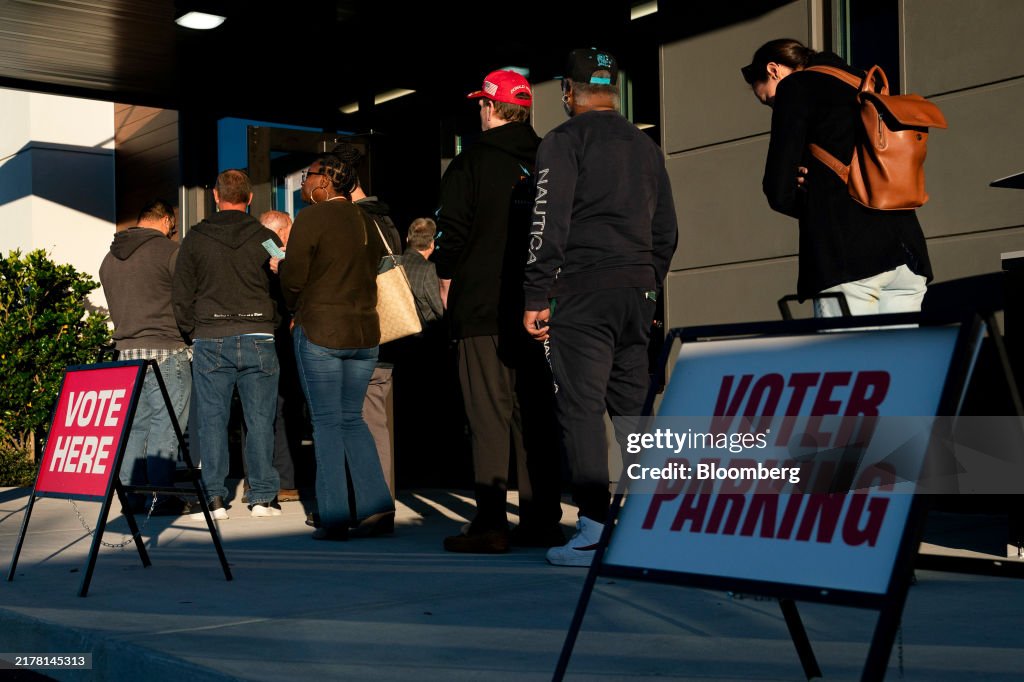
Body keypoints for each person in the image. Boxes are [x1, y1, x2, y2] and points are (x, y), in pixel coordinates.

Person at [523, 48, 678, 567]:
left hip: (583, 291)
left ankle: (592, 528)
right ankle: (651, 524)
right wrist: (650, 286)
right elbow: (666, 231)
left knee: (581, 408)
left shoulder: (563, 141)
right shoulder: (645, 144)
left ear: (568, 90)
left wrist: (535, 294)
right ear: (612, 90)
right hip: (637, 293)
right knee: (635, 409)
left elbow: (548, 223)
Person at [434, 69, 564, 554]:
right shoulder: (552, 156)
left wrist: (446, 273)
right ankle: (541, 520)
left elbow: (452, 230)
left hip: (483, 306)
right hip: (541, 307)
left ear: (488, 107)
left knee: (488, 416)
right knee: (535, 415)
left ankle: (490, 523)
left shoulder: (473, 162)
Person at [741, 38, 933, 317]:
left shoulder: (796, 87)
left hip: (849, 256)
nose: (774, 104)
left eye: (769, 99)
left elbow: (777, 188)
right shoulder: (863, 82)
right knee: (898, 358)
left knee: (848, 357)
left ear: (774, 70)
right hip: (908, 254)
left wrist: (813, 198)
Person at [276, 154, 394, 541]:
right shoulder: (368, 220)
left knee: (326, 423)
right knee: (351, 420)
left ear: (326, 182)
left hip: (322, 331)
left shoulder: (313, 218)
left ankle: (334, 515)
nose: (304, 183)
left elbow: (293, 278)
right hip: (364, 334)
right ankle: (376, 506)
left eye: (308, 176)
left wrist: (293, 299)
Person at [172, 169, 283, 520]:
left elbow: (181, 294)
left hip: (211, 336)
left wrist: (194, 330)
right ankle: (263, 498)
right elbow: (283, 281)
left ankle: (215, 498)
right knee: (261, 419)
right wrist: (272, 322)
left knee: (212, 421)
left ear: (216, 197)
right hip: (259, 335)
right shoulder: (266, 237)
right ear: (250, 199)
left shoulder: (196, 238)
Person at [99, 199, 190, 514]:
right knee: (166, 423)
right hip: (166, 347)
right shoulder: (168, 252)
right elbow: (185, 301)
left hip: (126, 352)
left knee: (134, 425)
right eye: (173, 226)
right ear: (165, 220)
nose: (174, 232)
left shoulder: (109, 259)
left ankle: (132, 496)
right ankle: (162, 495)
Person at [331, 142, 403, 503]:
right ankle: (377, 499)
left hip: (357, 331)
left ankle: (367, 501)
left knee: (357, 418)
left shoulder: (355, 221)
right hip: (384, 328)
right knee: (374, 417)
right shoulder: (384, 220)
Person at [259, 209, 302, 502]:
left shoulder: (252, 256)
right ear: (284, 232)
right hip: (283, 338)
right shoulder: (286, 258)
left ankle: (256, 478)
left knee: (257, 409)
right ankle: (286, 480)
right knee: (286, 407)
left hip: (257, 337)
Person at [398, 217, 444, 326]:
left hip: (397, 334)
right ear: (432, 244)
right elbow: (440, 310)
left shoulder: (395, 263)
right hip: (422, 336)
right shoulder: (428, 269)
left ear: (407, 240)